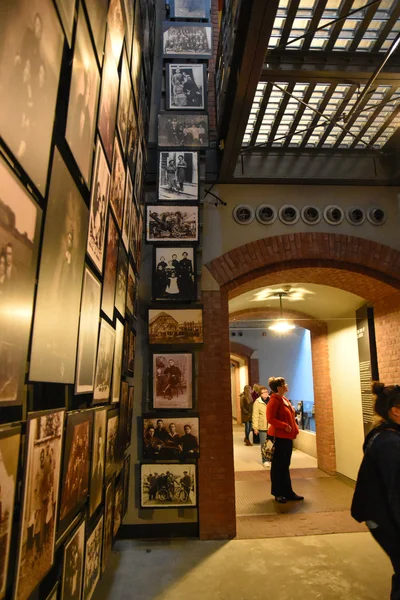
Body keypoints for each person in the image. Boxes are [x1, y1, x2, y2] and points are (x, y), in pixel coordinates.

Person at [351, 381, 400, 599]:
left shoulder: (383, 433)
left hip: (380, 514)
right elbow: (397, 492)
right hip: (384, 517)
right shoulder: (390, 442)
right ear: (396, 411)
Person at [267, 377, 303, 504]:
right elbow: (270, 419)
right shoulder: (274, 401)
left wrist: (295, 428)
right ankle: (278, 493)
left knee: (285, 465)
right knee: (278, 466)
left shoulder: (284, 400)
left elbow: (291, 417)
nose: (286, 385)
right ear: (278, 388)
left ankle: (288, 491)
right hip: (279, 438)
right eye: (284, 384)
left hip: (287, 438)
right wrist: (284, 425)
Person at [252, 386, 271, 468]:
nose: (265, 393)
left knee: (272, 444)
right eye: (263, 392)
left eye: (266, 392)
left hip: (272, 426)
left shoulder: (272, 401)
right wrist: (255, 427)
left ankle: (271, 459)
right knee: (264, 444)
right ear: (260, 394)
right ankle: (265, 460)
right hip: (262, 426)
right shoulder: (257, 402)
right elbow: (255, 415)